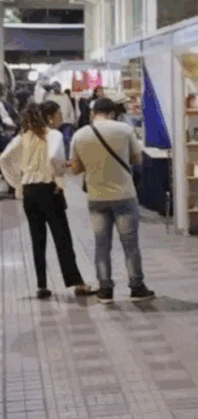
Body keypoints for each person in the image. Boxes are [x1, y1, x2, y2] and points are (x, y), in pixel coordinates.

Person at [0, 102, 94, 299]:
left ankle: (42, 285)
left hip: (29, 193)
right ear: (50, 117)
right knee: (62, 238)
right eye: (59, 113)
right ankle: (77, 282)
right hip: (49, 191)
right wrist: (60, 172)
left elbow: (4, 158)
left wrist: (18, 183)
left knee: (37, 239)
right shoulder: (54, 135)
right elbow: (53, 157)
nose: (61, 117)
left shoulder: (23, 136)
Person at [70, 98, 155, 304]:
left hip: (97, 197)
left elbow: (75, 169)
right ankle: (136, 287)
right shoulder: (124, 130)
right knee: (130, 245)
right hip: (124, 195)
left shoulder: (79, 135)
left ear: (93, 113)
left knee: (102, 245)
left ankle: (105, 290)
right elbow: (137, 159)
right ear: (112, 113)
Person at [46, 83, 77, 156]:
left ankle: (67, 157)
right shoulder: (50, 97)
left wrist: (72, 121)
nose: (57, 88)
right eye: (55, 87)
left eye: (58, 87)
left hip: (66, 123)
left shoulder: (65, 96)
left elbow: (70, 110)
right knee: (55, 141)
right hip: (54, 123)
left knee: (66, 140)